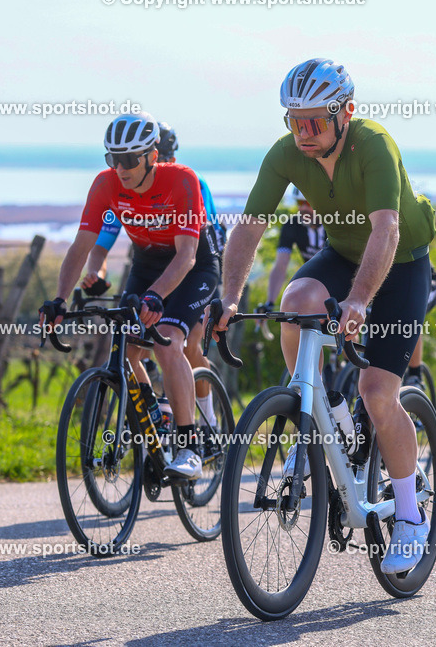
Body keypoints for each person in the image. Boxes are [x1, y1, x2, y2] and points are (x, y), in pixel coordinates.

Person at [209, 58, 436, 575]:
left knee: (377, 393)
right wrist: (229, 298)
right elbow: (249, 227)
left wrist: (359, 300)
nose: (303, 132)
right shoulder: (286, 153)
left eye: (314, 121)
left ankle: (409, 516)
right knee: (297, 300)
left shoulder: (373, 143)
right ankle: (315, 409)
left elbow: (386, 230)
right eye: (294, 121)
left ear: (345, 112)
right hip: (343, 253)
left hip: (401, 260)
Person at [41, 112, 221, 481]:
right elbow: (82, 246)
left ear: (152, 156)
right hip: (147, 265)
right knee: (124, 348)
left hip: (193, 267)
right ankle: (155, 418)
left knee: (168, 340)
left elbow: (187, 256)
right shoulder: (105, 184)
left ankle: (190, 447)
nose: (120, 168)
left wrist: (156, 296)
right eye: (113, 158)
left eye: (128, 159)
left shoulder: (182, 179)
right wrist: (59, 299)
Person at [82, 121, 224, 432]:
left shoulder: (192, 184)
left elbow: (208, 240)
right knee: (131, 344)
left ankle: (208, 423)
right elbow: (102, 242)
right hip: (153, 270)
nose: (165, 166)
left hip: (195, 267)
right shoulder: (128, 187)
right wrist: (96, 273)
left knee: (186, 343)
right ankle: (153, 417)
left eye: (168, 158)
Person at [261, 185, 327, 310]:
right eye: (299, 203)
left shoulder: (335, 224)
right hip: (314, 281)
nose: (303, 208)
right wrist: (269, 303)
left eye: (308, 203)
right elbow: (281, 266)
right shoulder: (292, 225)